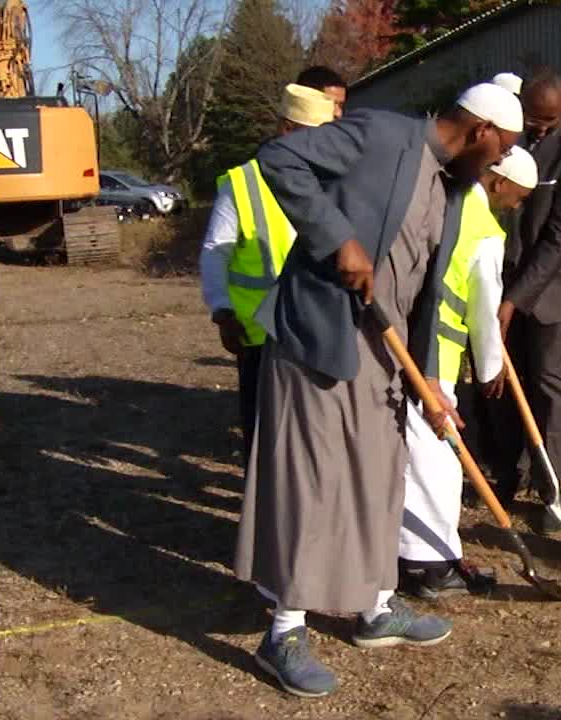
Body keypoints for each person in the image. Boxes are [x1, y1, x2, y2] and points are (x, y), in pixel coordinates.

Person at [233, 83, 522, 698]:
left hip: (384, 355)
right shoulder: (382, 133)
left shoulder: (451, 187)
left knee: (378, 478)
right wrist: (339, 239)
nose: (499, 165)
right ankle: (283, 631)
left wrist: (428, 384)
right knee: (312, 481)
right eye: (502, 151)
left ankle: (375, 606)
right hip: (321, 336)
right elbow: (279, 160)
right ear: (481, 131)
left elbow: (421, 290)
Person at [397, 147, 538, 597]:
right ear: (499, 182)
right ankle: (430, 565)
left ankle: (412, 554)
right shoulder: (485, 233)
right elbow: (482, 312)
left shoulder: (446, 198)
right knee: (437, 460)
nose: (518, 205)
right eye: (519, 195)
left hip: (404, 336)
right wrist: (491, 366)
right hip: (436, 352)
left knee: (412, 453)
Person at [475, 67, 561, 534]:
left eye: (550, 122)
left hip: (551, 287)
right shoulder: (510, 130)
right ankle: (507, 472)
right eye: (535, 121)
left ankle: (555, 491)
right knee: (502, 379)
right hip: (500, 272)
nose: (541, 130)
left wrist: (514, 301)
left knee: (549, 385)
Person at [199, 84, 337, 462]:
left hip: (316, 331)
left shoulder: (332, 180)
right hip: (259, 334)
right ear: (288, 130)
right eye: (317, 136)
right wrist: (222, 311)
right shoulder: (244, 183)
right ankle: (264, 515)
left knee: (311, 438)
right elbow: (216, 252)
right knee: (264, 437)